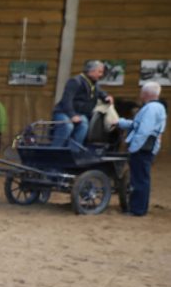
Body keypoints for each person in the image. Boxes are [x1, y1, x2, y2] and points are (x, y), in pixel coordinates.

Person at [116, 82, 166, 216]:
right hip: (146, 147)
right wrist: (120, 122)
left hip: (142, 148)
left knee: (139, 180)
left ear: (145, 94)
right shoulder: (154, 107)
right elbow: (137, 124)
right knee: (141, 178)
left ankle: (137, 210)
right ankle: (139, 208)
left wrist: (134, 147)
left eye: (141, 92)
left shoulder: (151, 109)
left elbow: (144, 130)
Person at [52, 60, 113, 148]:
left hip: (80, 114)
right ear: (91, 71)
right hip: (63, 112)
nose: (101, 75)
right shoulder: (75, 81)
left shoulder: (93, 84)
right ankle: (55, 150)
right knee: (67, 126)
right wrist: (72, 115)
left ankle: (73, 152)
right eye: (99, 72)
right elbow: (67, 100)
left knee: (84, 125)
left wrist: (106, 97)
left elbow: (100, 92)